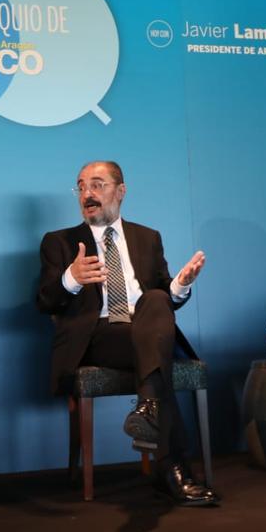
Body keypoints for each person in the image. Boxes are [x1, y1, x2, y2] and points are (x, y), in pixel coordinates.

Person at [36, 160, 218, 506]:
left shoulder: (147, 238)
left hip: (145, 331)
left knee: (154, 299)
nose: (87, 194)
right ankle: (174, 470)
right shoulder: (59, 242)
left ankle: (148, 408)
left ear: (121, 191)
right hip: (96, 337)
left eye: (97, 184)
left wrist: (180, 286)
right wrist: (71, 278)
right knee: (155, 343)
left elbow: (164, 305)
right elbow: (44, 301)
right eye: (81, 186)